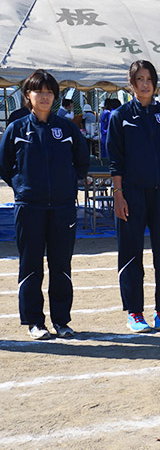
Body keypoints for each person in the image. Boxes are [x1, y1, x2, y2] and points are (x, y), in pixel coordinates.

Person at [0, 70, 89, 340]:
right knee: (31, 265)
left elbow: (81, 163)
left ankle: (62, 321)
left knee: (61, 265)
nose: (45, 97)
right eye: (39, 92)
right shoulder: (17, 128)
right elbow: (4, 165)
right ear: (28, 95)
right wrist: (22, 187)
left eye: (50, 92)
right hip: (29, 208)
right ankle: (34, 322)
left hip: (62, 209)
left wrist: (65, 186)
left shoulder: (68, 129)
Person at [107, 60, 160, 332]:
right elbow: (115, 161)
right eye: (139, 79)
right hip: (132, 194)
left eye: (149, 78)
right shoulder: (120, 117)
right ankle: (135, 313)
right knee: (131, 255)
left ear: (155, 83)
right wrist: (118, 195)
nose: (144, 83)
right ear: (131, 84)